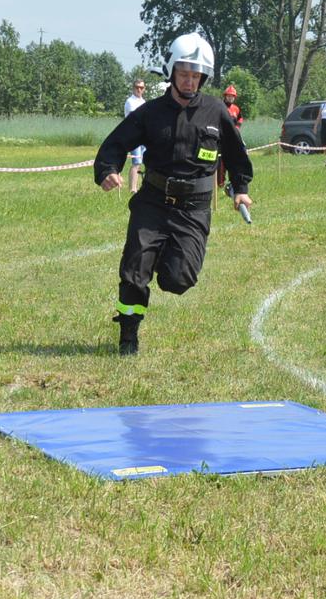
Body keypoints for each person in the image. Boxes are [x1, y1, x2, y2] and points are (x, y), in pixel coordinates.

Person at [91, 32, 253, 356]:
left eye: (196, 76)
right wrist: (107, 170)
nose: (190, 81)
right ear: (172, 72)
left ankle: (164, 254)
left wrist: (242, 189)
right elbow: (115, 144)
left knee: (178, 280)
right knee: (134, 269)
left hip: (193, 210)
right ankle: (128, 337)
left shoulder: (216, 112)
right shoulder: (150, 113)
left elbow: (237, 156)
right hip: (152, 202)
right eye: (184, 74)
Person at [217, 85, 245, 191]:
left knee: (234, 159)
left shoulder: (236, 109)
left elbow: (240, 118)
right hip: (221, 139)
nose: (230, 98)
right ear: (225, 96)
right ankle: (220, 183)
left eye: (232, 96)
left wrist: (237, 127)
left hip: (233, 139)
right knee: (221, 162)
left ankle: (233, 182)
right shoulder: (220, 106)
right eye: (229, 96)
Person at [123, 80, 148, 189]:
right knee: (136, 162)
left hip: (144, 135)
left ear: (144, 89)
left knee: (146, 161)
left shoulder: (143, 101)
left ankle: (144, 186)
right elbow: (136, 118)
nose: (139, 89)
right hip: (134, 135)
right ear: (133, 88)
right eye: (137, 87)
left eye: (141, 87)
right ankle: (133, 189)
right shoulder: (130, 101)